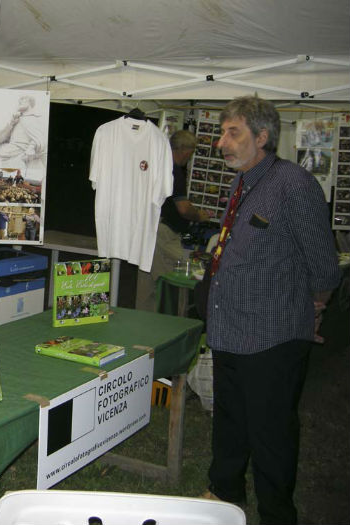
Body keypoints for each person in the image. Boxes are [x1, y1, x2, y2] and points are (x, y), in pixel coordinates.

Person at [202, 96, 340, 525]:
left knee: (271, 435)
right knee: (230, 422)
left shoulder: (293, 184)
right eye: (222, 132)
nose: (222, 142)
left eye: (233, 132)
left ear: (262, 137)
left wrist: (314, 305)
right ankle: (225, 495)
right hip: (230, 331)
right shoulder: (240, 183)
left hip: (272, 337)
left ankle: (277, 515)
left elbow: (323, 264)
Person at [135, 129, 210, 311]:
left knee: (147, 283)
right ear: (185, 150)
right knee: (189, 273)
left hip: (148, 228)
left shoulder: (156, 165)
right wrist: (200, 215)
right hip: (164, 233)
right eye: (191, 152)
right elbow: (183, 208)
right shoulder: (174, 170)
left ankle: (142, 324)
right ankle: (176, 323)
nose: (189, 157)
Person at [0, 95, 47, 181]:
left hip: (24, 156)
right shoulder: (15, 119)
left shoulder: (35, 118)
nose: (20, 101)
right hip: (10, 153)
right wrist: (11, 124)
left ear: (30, 101)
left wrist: (31, 147)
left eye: (23, 99)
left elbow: (40, 137)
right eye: (19, 100)